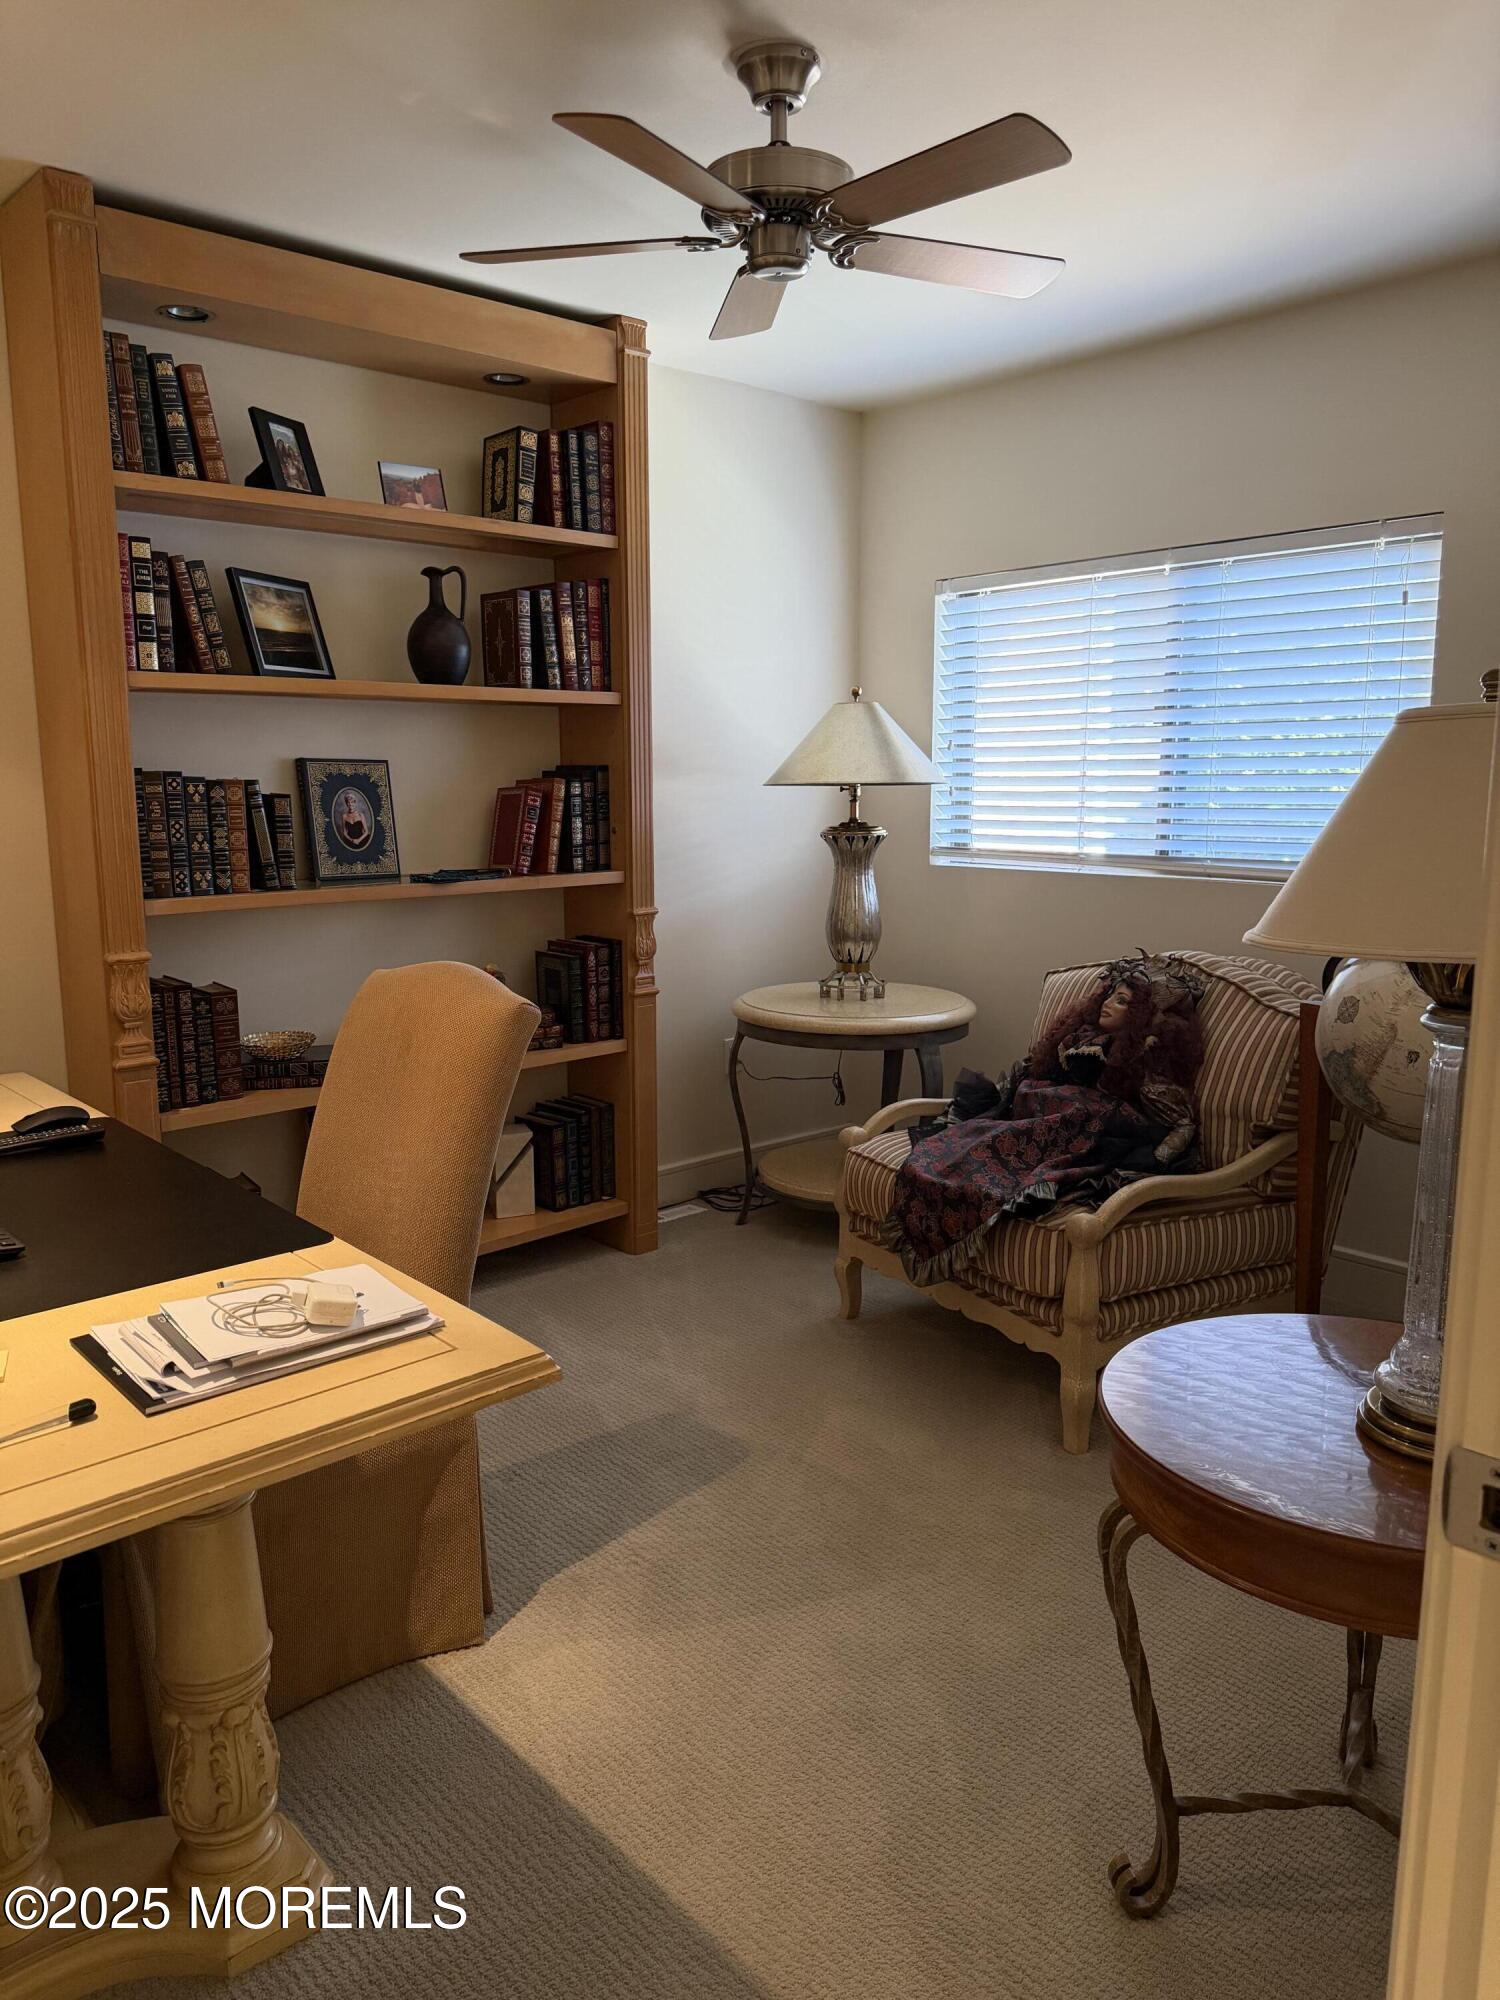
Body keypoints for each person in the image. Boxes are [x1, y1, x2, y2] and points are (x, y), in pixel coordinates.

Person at [882, 951, 1207, 1286]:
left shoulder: (1142, 1054)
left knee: (996, 1160)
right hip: (1040, 1115)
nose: (1109, 1003)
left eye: (1122, 1001)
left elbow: (1179, 1120)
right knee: (960, 1148)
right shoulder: (1080, 1035)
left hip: (1085, 1130)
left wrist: (1160, 1159)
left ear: (1143, 1016)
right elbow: (1032, 1070)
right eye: (1109, 994)